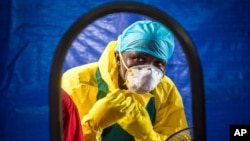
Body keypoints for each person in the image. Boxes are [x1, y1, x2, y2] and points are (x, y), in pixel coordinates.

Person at [61, 20, 189, 141]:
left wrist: (147, 135)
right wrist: (91, 125)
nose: (148, 72)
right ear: (118, 57)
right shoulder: (76, 82)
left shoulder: (165, 89)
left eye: (158, 63)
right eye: (139, 59)